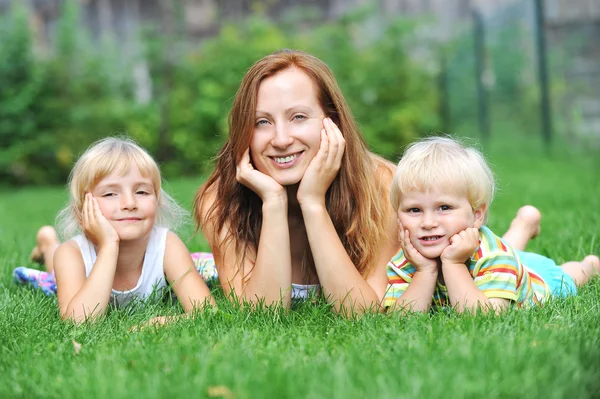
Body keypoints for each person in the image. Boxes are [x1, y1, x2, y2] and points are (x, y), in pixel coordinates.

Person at [193, 49, 543, 315]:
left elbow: (363, 312)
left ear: (331, 121)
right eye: (261, 122)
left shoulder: (381, 184)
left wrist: (313, 203)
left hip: (474, 257)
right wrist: (273, 202)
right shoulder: (221, 200)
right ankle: (522, 227)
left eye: (298, 117)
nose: (281, 138)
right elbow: (261, 313)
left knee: (512, 265)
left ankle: (522, 229)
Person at [384, 136, 600, 313]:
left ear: (477, 216)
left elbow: (486, 317)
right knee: (510, 251)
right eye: (414, 210)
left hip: (536, 278)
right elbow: (402, 320)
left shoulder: (494, 256)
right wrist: (425, 270)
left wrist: (454, 264)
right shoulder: (407, 259)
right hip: (507, 261)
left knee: (568, 276)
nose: (428, 222)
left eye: (444, 207)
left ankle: (589, 265)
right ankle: (524, 223)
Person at [14, 137, 214, 323]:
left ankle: (48, 242)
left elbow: (206, 311)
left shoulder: (167, 245)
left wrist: (162, 323)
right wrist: (109, 245)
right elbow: (78, 322)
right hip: (67, 260)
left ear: (157, 201)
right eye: (110, 194)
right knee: (54, 270)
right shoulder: (72, 253)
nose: (129, 203)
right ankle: (48, 243)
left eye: (142, 191)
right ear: (82, 209)